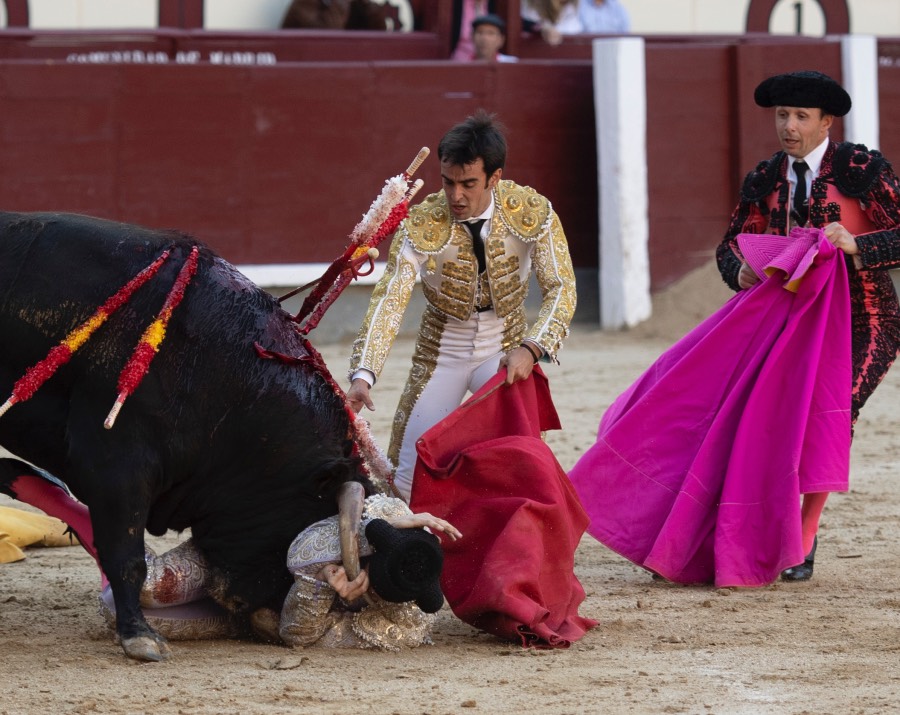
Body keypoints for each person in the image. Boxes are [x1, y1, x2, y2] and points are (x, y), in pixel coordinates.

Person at [716, 70, 900, 580]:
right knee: (770, 415)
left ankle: (804, 532)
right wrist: (739, 270)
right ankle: (764, 523)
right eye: (782, 115)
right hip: (789, 318)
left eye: (801, 116)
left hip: (865, 316)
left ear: (826, 122)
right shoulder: (765, 178)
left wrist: (859, 245)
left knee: (831, 413)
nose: (789, 126)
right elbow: (731, 243)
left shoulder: (861, 169)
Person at [346, 109, 577, 501]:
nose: (456, 196)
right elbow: (390, 300)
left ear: (494, 177)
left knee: (522, 468)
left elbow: (561, 287)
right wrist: (363, 375)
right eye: (448, 182)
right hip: (442, 352)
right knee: (407, 478)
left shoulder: (532, 213)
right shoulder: (422, 224)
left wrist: (531, 348)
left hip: (505, 349)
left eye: (469, 184)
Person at [98, 495, 462, 650]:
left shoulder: (406, 625)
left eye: (376, 592)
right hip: (242, 552)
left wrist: (320, 583)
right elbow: (299, 551)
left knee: (115, 612)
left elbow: (296, 635)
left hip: (249, 619)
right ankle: (95, 510)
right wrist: (365, 536)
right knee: (147, 587)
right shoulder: (389, 513)